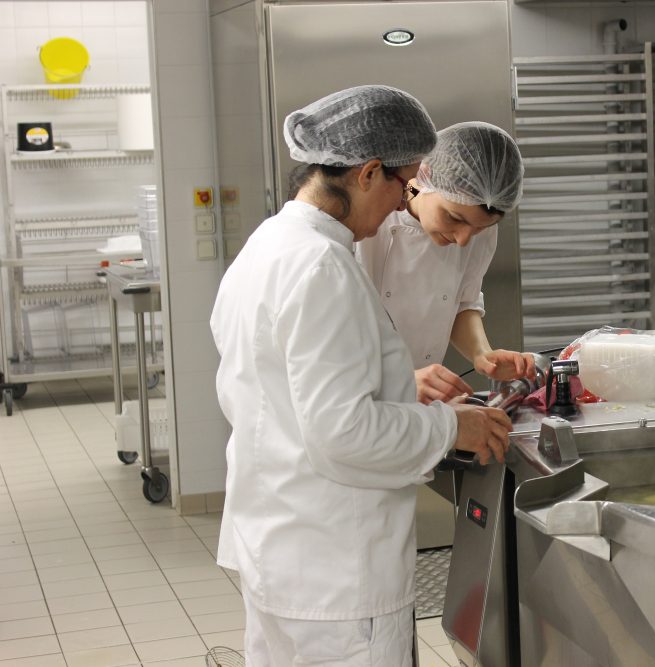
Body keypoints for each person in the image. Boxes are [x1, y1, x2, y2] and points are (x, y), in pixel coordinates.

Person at [210, 86, 513, 667]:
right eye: (404, 183)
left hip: (279, 544)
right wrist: (454, 428)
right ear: (370, 173)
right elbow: (344, 433)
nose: (403, 201)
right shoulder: (323, 267)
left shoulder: (268, 245)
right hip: (338, 571)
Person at [355, 122, 535, 404]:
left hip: (419, 403)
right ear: (424, 176)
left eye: (479, 228)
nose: (463, 239)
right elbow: (336, 333)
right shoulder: (370, 223)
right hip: (359, 397)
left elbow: (462, 301)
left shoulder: (480, 231)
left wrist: (482, 354)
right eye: (454, 217)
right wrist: (398, 380)